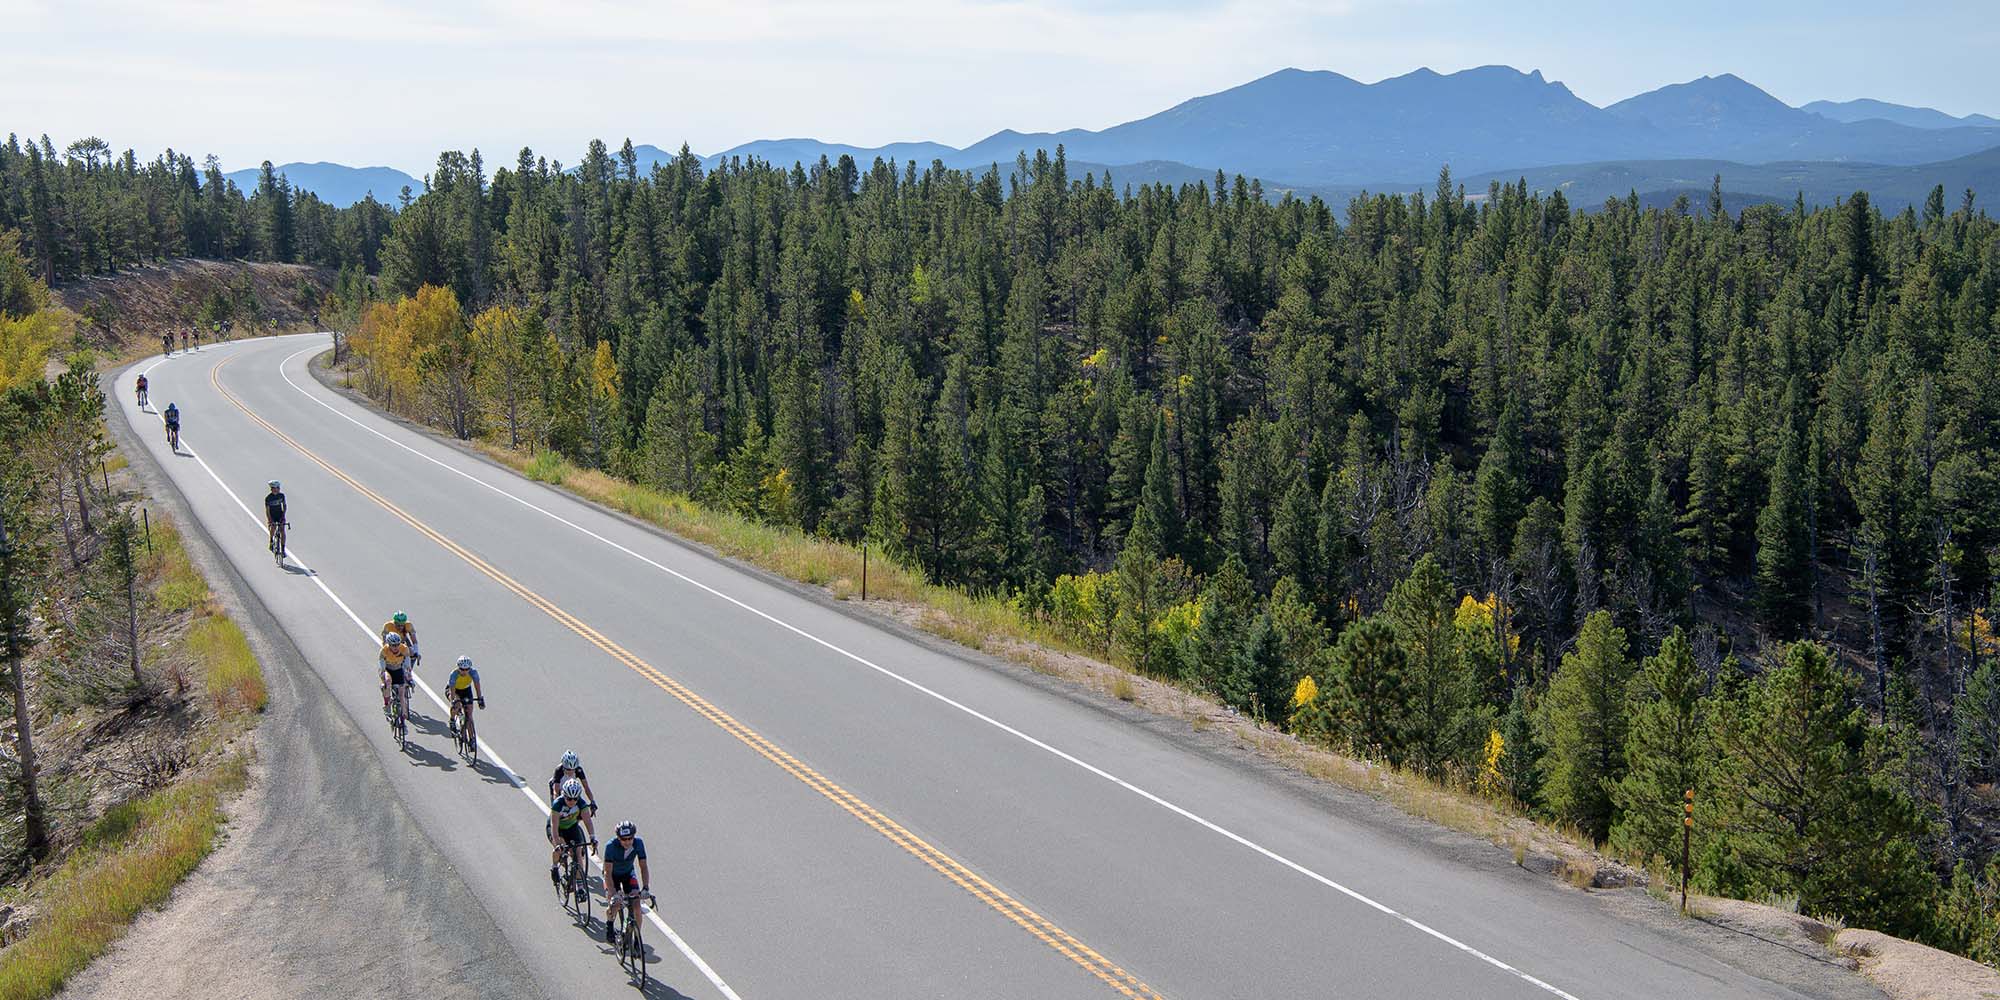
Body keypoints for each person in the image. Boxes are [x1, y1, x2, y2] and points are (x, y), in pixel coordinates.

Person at [603, 820, 650, 944]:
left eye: (630, 838)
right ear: (618, 838)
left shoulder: (639, 843)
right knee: (616, 903)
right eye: (624, 839)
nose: (628, 842)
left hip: (628, 874)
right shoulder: (610, 846)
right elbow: (607, 872)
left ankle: (637, 940)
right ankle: (610, 924)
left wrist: (645, 888)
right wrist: (613, 894)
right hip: (612, 877)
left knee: (637, 906)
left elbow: (643, 866)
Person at [547, 778, 595, 887]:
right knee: (561, 848)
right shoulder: (557, 804)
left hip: (571, 827)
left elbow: (588, 821)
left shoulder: (581, 804)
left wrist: (593, 837)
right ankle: (555, 867)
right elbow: (554, 826)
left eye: (575, 799)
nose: (572, 802)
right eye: (569, 798)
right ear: (564, 795)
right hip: (557, 828)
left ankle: (580, 886)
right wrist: (558, 844)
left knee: (577, 853)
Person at [379, 631, 414, 724]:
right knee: (388, 681)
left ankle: (404, 714)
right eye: (393, 645)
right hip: (387, 670)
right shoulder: (384, 650)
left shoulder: (404, 648)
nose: (395, 647)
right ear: (389, 644)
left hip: (398, 669)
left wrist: (408, 674)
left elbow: (407, 664)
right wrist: (383, 674)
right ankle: (387, 704)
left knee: (401, 694)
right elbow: (382, 666)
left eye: (397, 644)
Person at [445, 655, 484, 736]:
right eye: (462, 669)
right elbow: (452, 690)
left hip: (466, 690)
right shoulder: (454, 674)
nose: (464, 671)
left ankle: (471, 740)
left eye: (467, 669)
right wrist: (453, 700)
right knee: (457, 705)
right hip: (454, 690)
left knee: (469, 715)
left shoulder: (473, 673)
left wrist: (480, 698)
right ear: (458, 668)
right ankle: (452, 720)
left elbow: (477, 686)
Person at [264, 480, 287, 550]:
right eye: (276, 488)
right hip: (272, 516)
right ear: (272, 488)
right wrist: (270, 520)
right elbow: (267, 510)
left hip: (280, 515)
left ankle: (283, 549)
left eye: (278, 488)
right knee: (273, 528)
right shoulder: (268, 498)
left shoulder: (281, 496)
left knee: (282, 530)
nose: (278, 489)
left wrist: (283, 515)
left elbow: (284, 506)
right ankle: (271, 540)